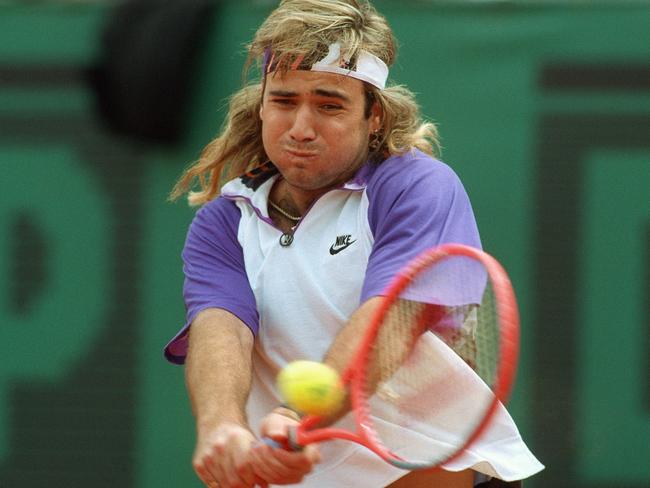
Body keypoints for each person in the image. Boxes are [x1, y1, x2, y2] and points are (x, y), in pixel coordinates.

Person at [164, 1, 544, 487]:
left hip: (419, 466)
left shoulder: (415, 187)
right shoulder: (223, 221)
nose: (301, 127)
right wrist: (222, 429)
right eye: (283, 101)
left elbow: (390, 321)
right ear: (261, 105)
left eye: (329, 104)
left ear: (376, 116)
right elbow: (222, 329)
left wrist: (299, 413)